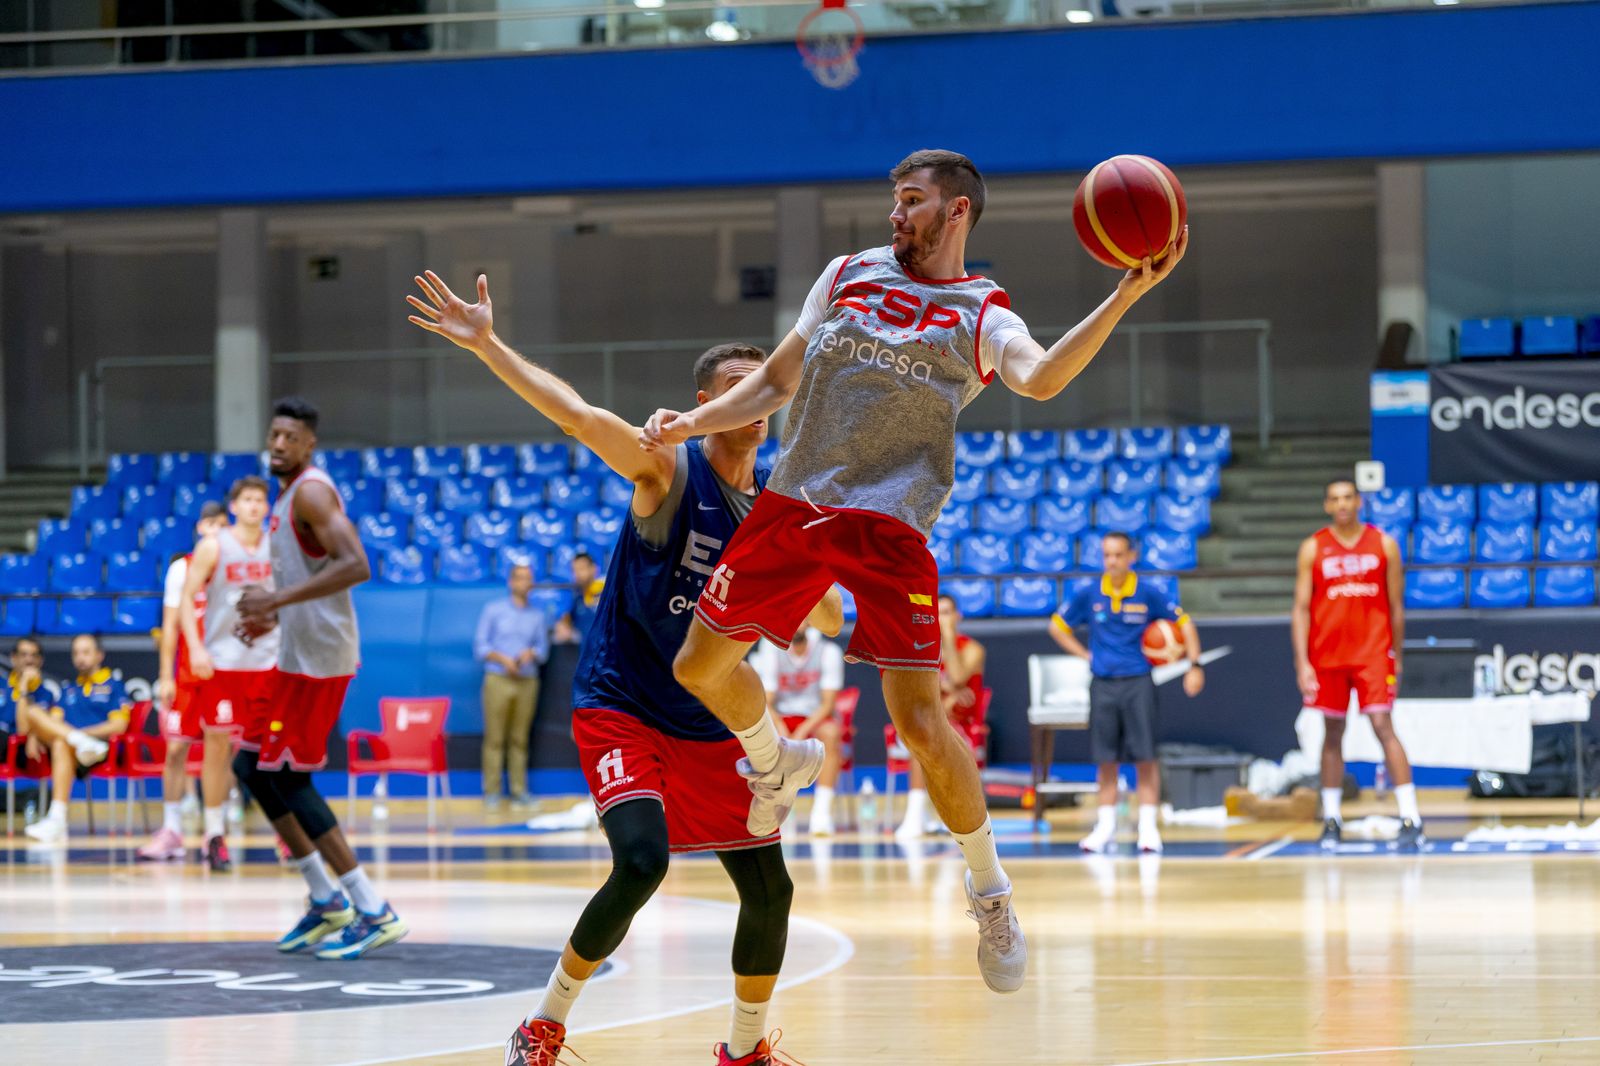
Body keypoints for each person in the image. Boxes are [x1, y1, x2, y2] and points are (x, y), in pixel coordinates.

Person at [642, 148, 1186, 994]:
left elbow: (1040, 380)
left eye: (910, 201)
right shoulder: (847, 273)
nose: (895, 215)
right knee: (697, 666)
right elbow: (777, 382)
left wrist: (1125, 292)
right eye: (893, 200)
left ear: (956, 211)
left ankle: (990, 889)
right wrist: (691, 425)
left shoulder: (982, 312)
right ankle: (774, 756)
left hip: (892, 527)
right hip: (797, 503)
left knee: (921, 724)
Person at [406, 271, 839, 1066]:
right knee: (642, 860)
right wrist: (488, 342)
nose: (756, 400)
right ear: (706, 404)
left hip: (709, 719)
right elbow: (573, 413)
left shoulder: (773, 509)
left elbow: (829, 617)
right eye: (735, 387)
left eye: (762, 388)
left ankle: (744, 1051)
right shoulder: (669, 471)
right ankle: (542, 1026)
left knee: (771, 891)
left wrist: (815, 567)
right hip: (624, 704)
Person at [232, 397, 408, 959]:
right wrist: (272, 616)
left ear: (309, 444)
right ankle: (325, 898)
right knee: (250, 767)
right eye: (274, 434)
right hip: (295, 651)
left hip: (320, 660)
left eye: (290, 436)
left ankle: (372, 908)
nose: (278, 443)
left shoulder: (310, 489)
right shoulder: (287, 498)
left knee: (290, 778)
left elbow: (357, 564)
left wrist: (276, 599)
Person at [1049, 532, 1204, 854]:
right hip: (1103, 683)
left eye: (1118, 555)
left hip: (1139, 683)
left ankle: (1147, 827)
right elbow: (1057, 626)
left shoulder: (1148, 592)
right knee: (1106, 759)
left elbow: (1185, 624)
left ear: (1132, 556)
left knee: (1145, 757)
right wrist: (1085, 655)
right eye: (1107, 555)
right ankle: (1104, 827)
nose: (1112, 561)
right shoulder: (1089, 593)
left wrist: (1194, 665)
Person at [1293, 479, 1422, 852]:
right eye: (1334, 498)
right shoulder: (1313, 548)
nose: (1342, 504)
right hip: (1327, 655)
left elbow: (1397, 606)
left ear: (1359, 501)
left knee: (1384, 726)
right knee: (1332, 733)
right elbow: (1301, 608)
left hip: (1372, 652)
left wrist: (1394, 653)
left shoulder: (1383, 544)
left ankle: (1410, 817)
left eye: (1348, 497)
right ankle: (1332, 819)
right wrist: (1303, 662)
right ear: (1327, 505)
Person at [175, 477, 281, 872]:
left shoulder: (278, 546)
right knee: (217, 747)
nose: (254, 506)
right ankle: (214, 834)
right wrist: (197, 647)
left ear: (266, 507)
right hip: (223, 661)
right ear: (234, 506)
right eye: (247, 500)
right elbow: (187, 599)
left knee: (273, 749)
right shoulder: (213, 546)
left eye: (260, 500)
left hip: (267, 662)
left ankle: (286, 833)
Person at [137, 501, 229, 862]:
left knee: (220, 754)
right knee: (175, 750)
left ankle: (214, 832)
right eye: (210, 524)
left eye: (222, 525)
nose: (216, 531)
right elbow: (171, 625)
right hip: (188, 676)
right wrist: (165, 675)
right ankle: (172, 829)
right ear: (200, 528)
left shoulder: (232, 568)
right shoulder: (182, 568)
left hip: (225, 676)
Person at [895, 593, 986, 839]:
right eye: (938, 614)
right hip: (932, 719)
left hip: (965, 726)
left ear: (958, 617)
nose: (942, 619)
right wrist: (949, 695)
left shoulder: (972, 649)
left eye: (947, 613)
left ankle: (955, 815)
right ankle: (915, 815)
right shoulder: (921, 648)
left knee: (932, 733)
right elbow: (916, 691)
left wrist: (946, 637)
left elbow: (957, 677)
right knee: (922, 733)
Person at [20, 634, 127, 844]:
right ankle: (57, 819)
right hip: (73, 749)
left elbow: (119, 725)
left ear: (99, 655)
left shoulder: (113, 685)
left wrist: (86, 735)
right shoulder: (69, 688)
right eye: (76, 653)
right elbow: (54, 721)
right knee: (36, 715)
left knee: (61, 741)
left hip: (101, 750)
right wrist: (35, 734)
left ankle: (57, 819)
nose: (80, 658)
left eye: (86, 652)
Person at [750, 625, 845, 837]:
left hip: (813, 717)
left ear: (810, 623)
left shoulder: (828, 651)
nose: (797, 623)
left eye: (802, 619)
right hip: (780, 717)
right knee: (758, 735)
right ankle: (770, 810)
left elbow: (828, 704)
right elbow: (767, 701)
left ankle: (821, 814)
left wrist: (802, 731)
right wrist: (782, 728)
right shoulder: (771, 647)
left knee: (831, 733)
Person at [475, 562, 550, 811]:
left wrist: (532, 653)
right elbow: (481, 647)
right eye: (519, 578)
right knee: (495, 738)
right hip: (498, 679)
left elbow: (543, 650)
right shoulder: (493, 610)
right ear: (511, 581)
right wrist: (503, 659)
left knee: (519, 739)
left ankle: (519, 791)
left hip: (527, 681)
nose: (524, 583)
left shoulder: (537, 616)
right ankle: (492, 792)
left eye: (528, 578)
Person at [552, 551, 603, 644]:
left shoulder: (606, 594)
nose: (578, 574)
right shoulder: (576, 599)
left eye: (582, 569)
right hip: (586, 654)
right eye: (574, 570)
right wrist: (564, 625)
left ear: (593, 569)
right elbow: (566, 620)